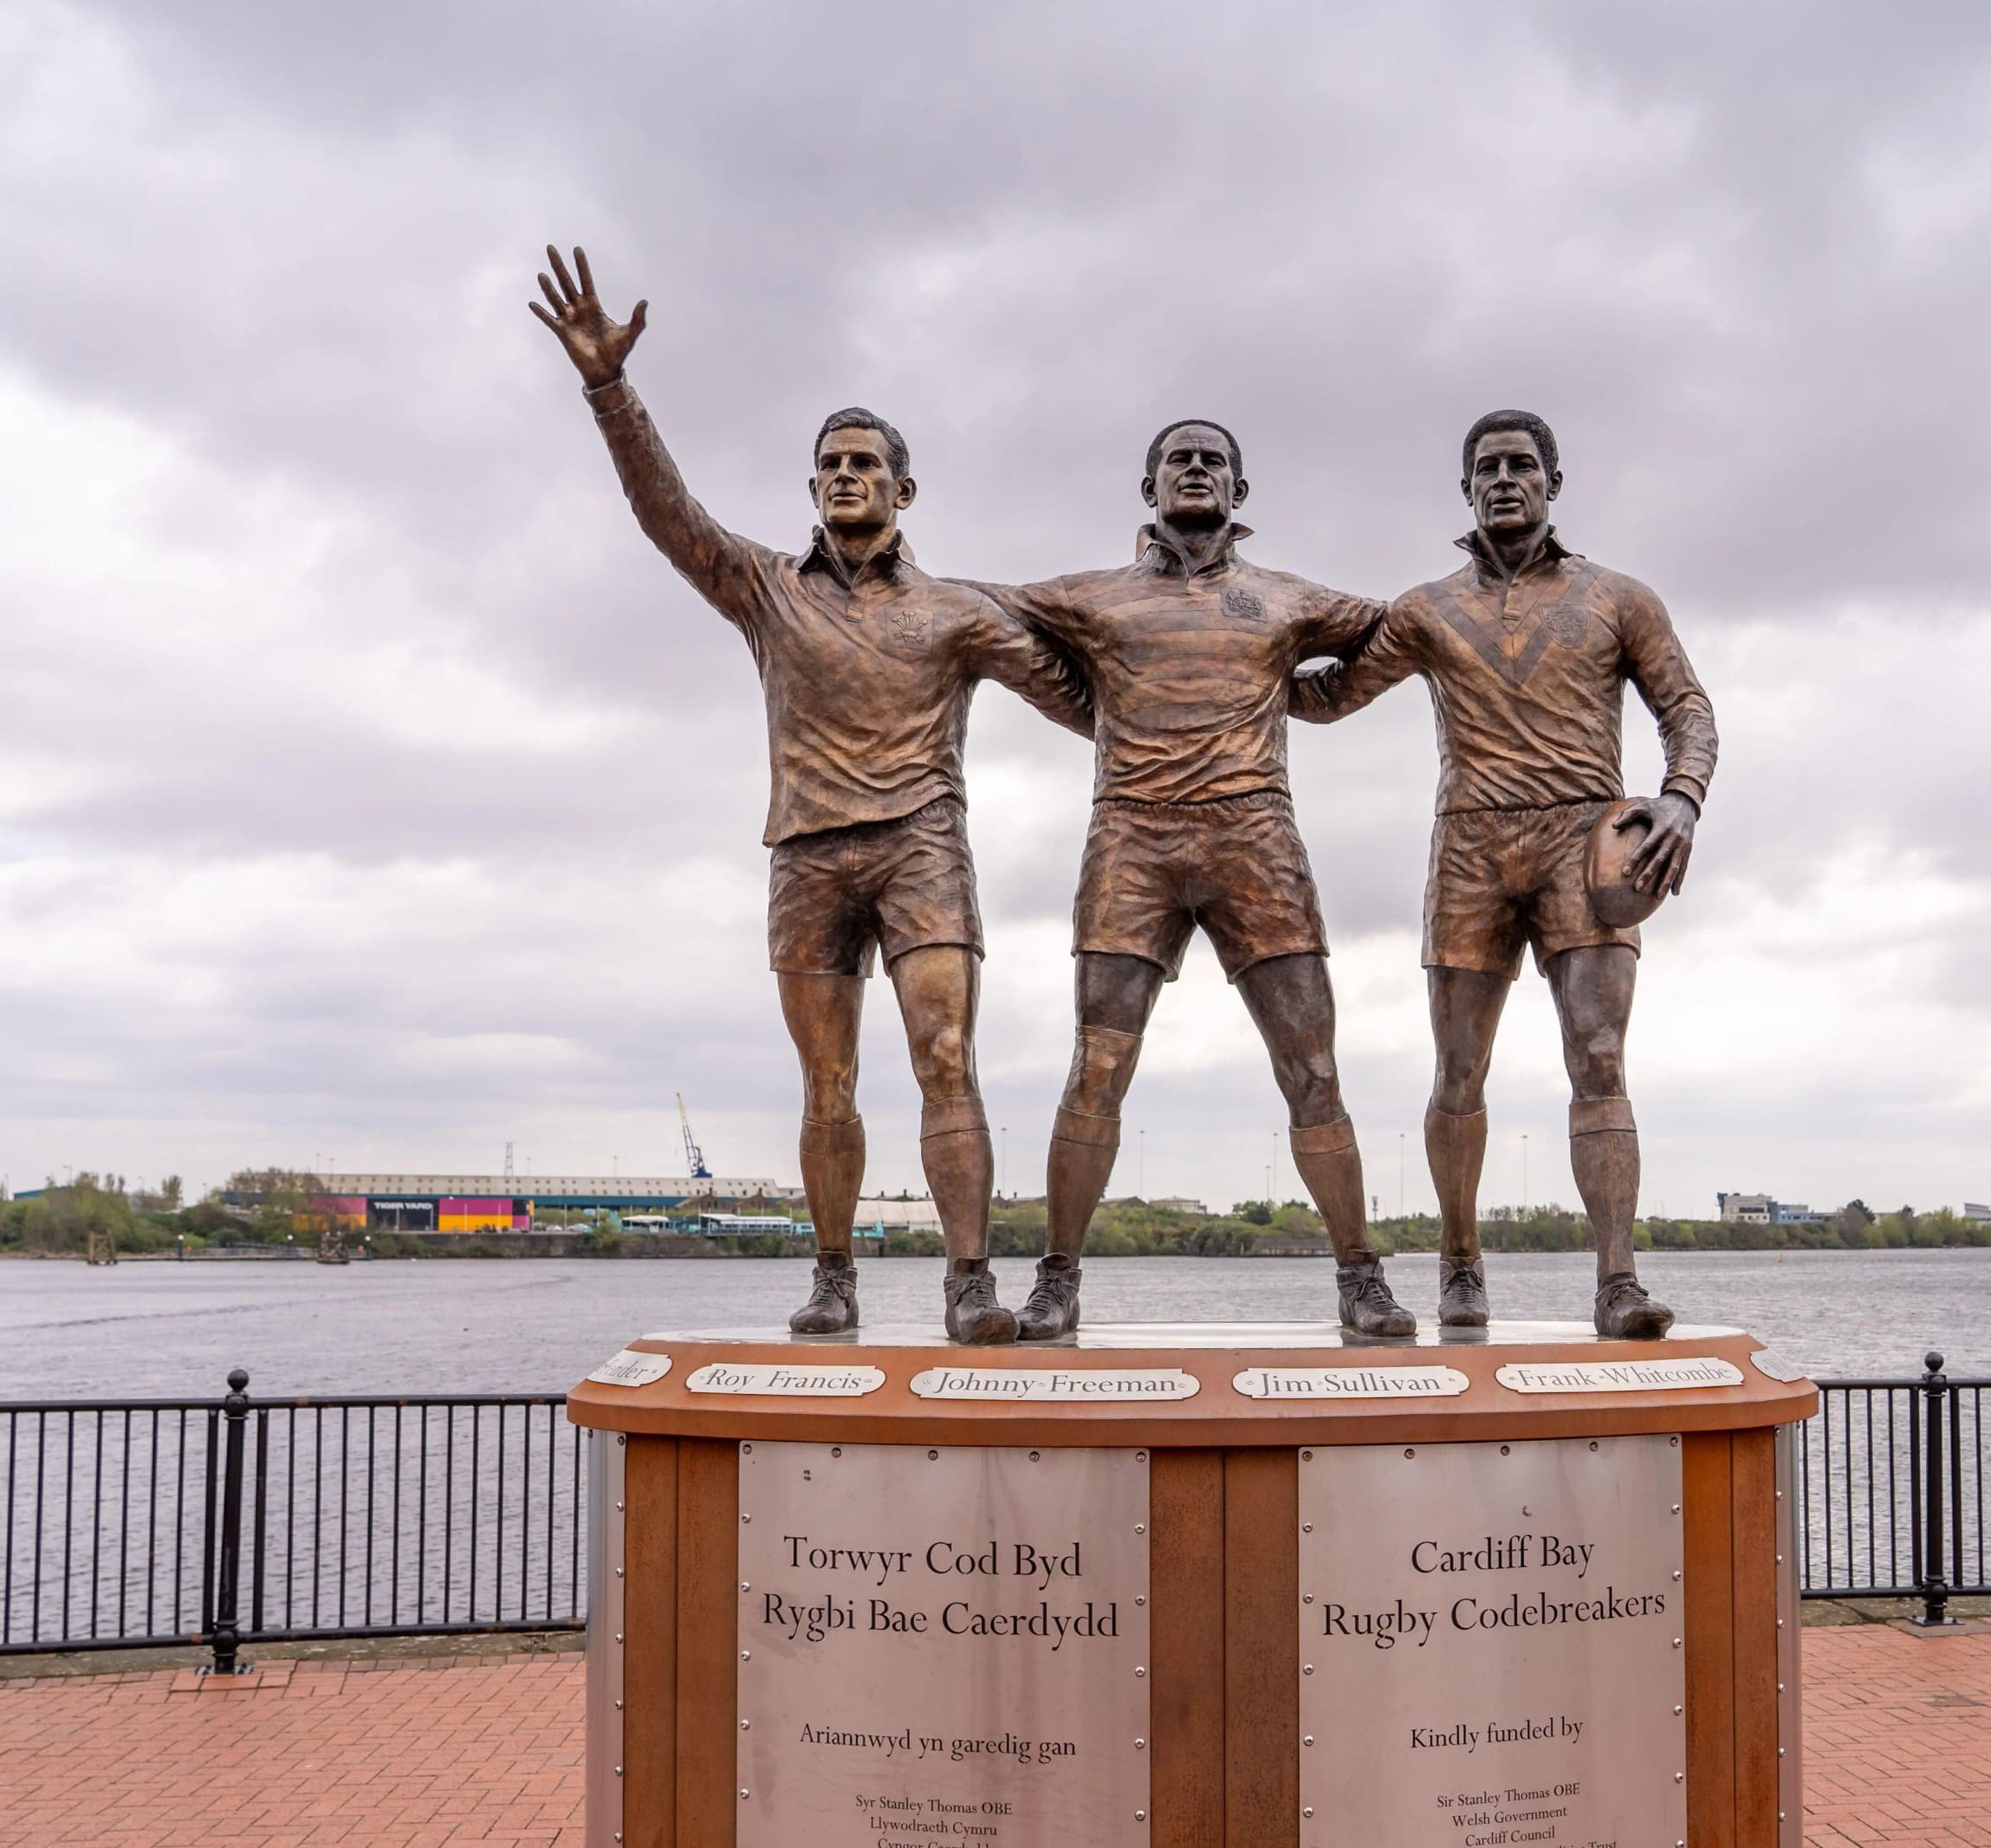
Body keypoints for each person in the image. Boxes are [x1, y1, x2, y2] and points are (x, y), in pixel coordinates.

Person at [531, 247, 1087, 1343]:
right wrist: (610, 389)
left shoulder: (958, 611)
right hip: (807, 856)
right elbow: (668, 514)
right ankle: (835, 1277)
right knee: (826, 1080)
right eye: (829, 461)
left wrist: (1189, 700)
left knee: (944, 1059)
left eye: (865, 461)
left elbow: (1078, 695)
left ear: (902, 487)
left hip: (924, 849)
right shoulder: (764, 590)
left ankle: (969, 1283)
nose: (845, 474)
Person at [990, 421, 1416, 1341]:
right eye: (1177, 458)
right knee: (1096, 1067)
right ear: (1148, 489)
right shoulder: (1089, 597)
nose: (1194, 467)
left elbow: (1406, 631)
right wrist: (1085, 707)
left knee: (1312, 1068)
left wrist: (1315, 696)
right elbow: (970, 613)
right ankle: (1056, 1278)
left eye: (1212, 458)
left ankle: (1360, 1277)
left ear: (1239, 490)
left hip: (1255, 844)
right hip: (1130, 845)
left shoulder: (1288, 598)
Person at [1294, 410, 1715, 1338]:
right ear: (1466, 487)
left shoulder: (1620, 598)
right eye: (1487, 467)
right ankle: (1459, 1262)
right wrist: (1214, 660)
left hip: (1584, 840)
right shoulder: (1427, 610)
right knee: (1459, 1067)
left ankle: (1617, 1282)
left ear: (1553, 482)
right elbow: (1329, 697)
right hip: (1471, 848)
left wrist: (1681, 798)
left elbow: (1686, 707)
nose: (1505, 479)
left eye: (1523, 464)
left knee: (1600, 1059)